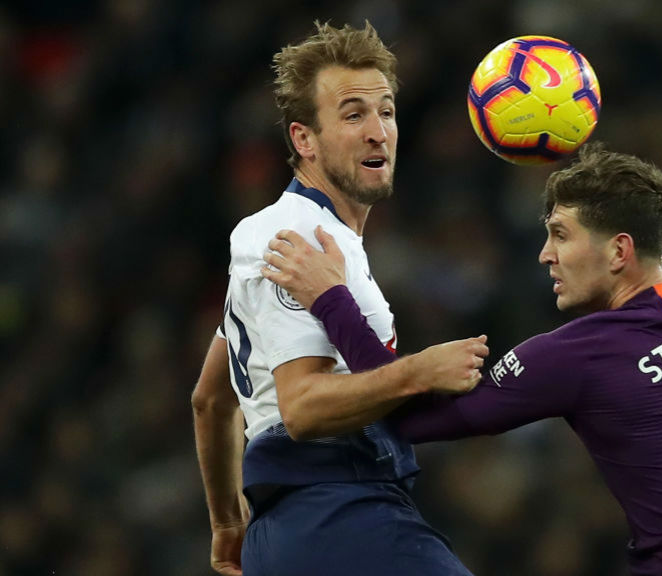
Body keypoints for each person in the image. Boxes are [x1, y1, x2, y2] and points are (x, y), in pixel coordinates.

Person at [264, 54, 662, 575]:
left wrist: (332, 301)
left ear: (620, 250)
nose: (545, 255)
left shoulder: (577, 354)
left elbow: (407, 417)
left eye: (561, 235)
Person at [191, 21, 489, 576]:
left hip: (302, 528)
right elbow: (302, 408)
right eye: (353, 115)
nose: (378, 131)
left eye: (387, 111)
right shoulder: (295, 238)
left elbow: (212, 399)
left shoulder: (313, 240)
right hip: (336, 510)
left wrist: (230, 525)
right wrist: (418, 370)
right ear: (304, 140)